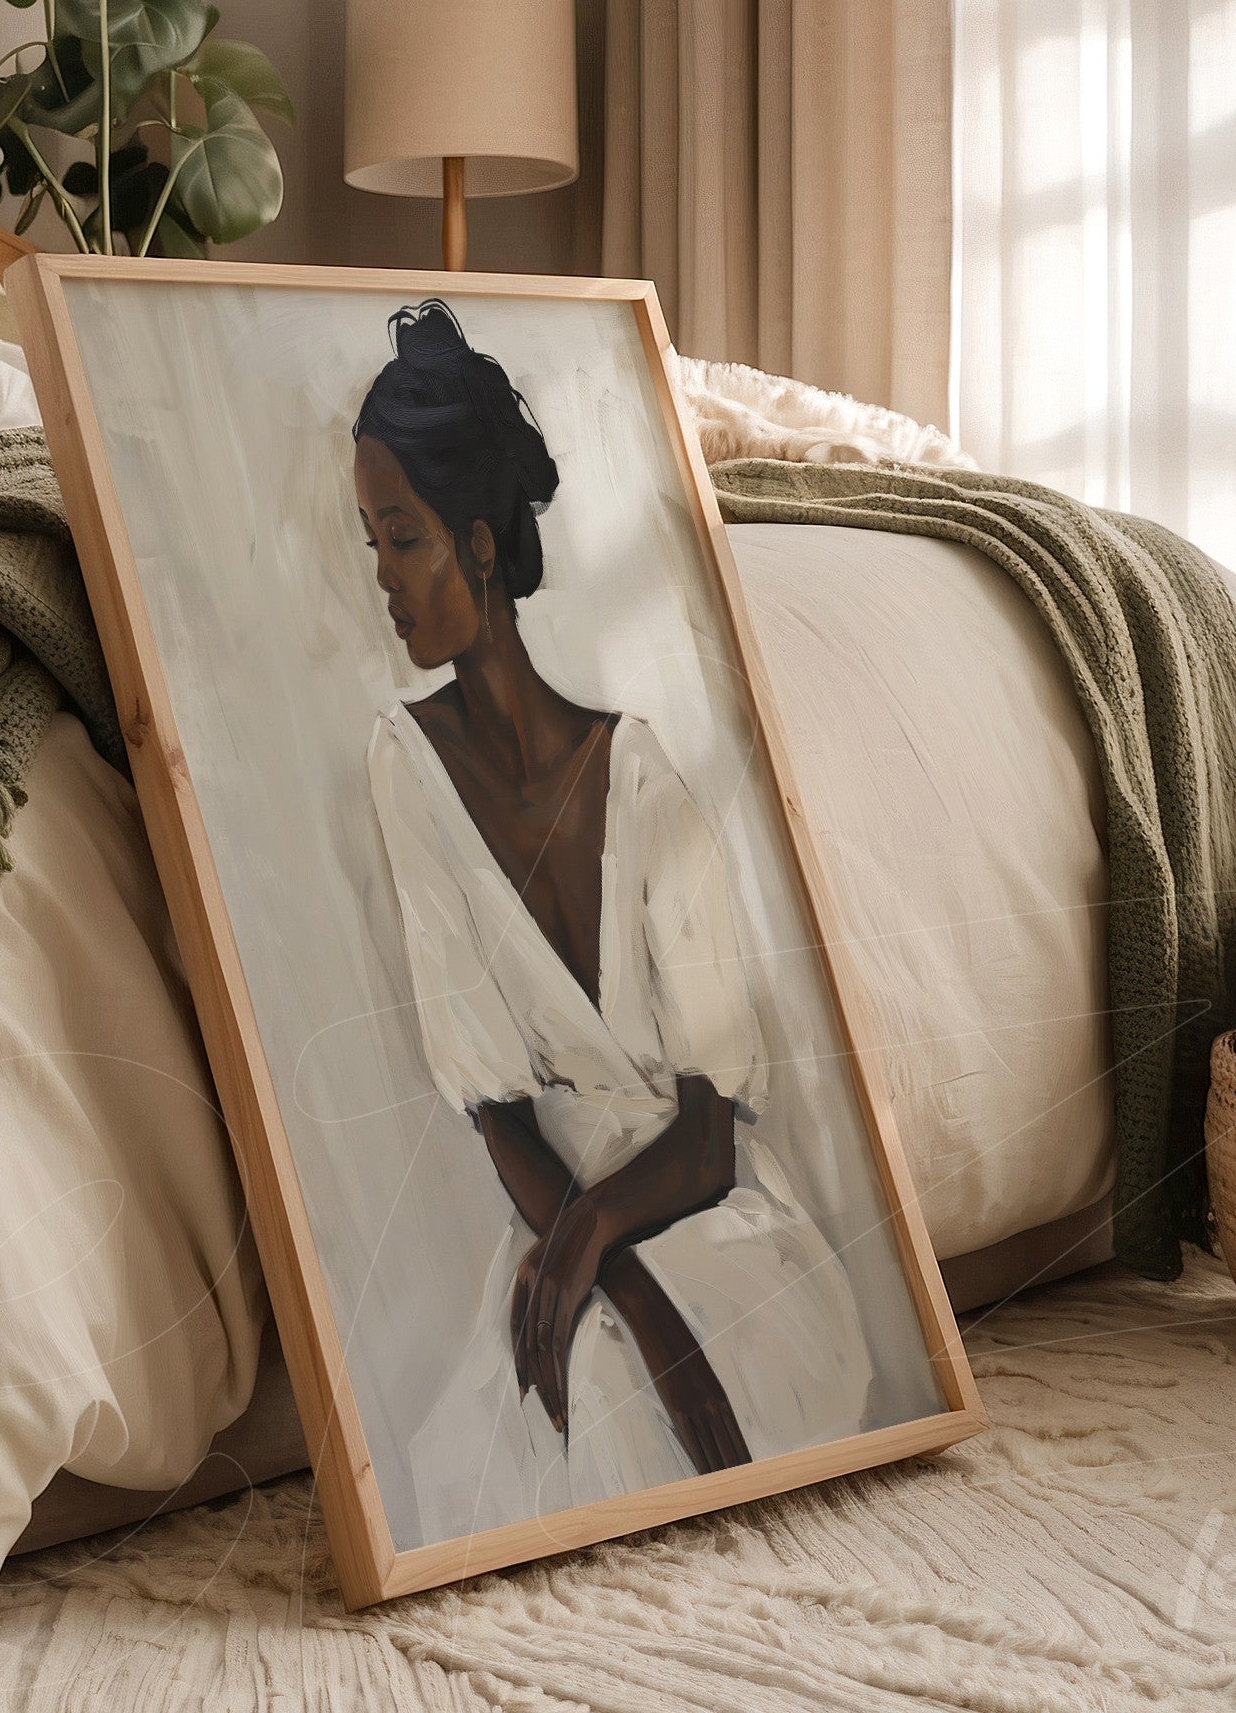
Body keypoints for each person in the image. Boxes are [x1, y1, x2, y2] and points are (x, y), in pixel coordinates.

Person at [355, 299, 871, 1536]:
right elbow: (495, 1112)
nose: (380, 577)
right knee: (589, 1368)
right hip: (567, 1232)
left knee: (618, 1378)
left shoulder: (639, 773)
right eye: (370, 543)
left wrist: (608, 1245)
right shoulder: (402, 765)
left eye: (401, 538)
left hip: (715, 1217)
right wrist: (616, 1283)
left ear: (479, 544)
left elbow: (704, 1142)